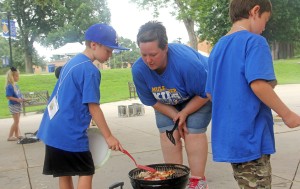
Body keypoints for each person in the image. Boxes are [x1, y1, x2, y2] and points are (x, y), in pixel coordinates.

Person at [205, 0, 300, 188]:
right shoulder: (254, 41)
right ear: (255, 11)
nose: (264, 28)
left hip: (231, 138)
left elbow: (210, 93)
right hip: (251, 137)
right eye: (265, 20)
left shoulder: (217, 47)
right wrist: (287, 114)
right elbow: (259, 85)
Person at [37, 23, 128, 189]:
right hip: (70, 133)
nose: (110, 55)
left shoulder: (72, 63)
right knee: (86, 170)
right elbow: (94, 107)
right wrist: (109, 137)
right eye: (108, 50)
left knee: (64, 172)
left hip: (53, 130)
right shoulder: (90, 70)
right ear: (94, 44)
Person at [132, 21, 212, 189]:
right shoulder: (139, 70)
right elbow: (152, 101)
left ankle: (197, 181)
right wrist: (176, 116)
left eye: (153, 54)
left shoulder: (187, 63)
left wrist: (185, 114)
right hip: (166, 101)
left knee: (192, 131)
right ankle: (174, 180)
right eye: (143, 54)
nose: (148, 60)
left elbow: (206, 92)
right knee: (168, 133)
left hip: (198, 95)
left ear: (165, 48)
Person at [5, 67, 26, 141]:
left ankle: (17, 135)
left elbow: (18, 94)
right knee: (16, 121)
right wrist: (17, 99)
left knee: (17, 121)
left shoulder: (16, 85)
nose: (18, 77)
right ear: (12, 77)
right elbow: (8, 97)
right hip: (13, 105)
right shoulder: (9, 86)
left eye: (18, 75)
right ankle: (10, 136)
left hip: (17, 104)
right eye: (16, 76)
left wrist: (22, 99)